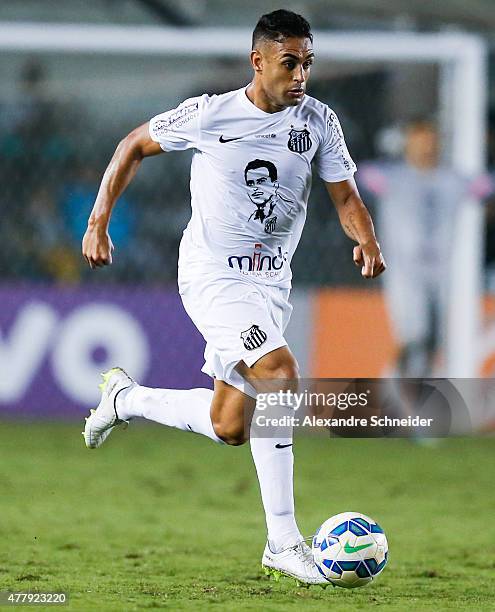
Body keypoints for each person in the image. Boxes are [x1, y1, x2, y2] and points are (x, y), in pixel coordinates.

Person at [82, 9, 385, 585]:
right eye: (289, 62)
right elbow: (133, 145)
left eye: (308, 63)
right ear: (258, 61)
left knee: (230, 424)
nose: (300, 75)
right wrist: (99, 222)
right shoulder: (210, 113)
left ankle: (124, 400)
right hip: (214, 277)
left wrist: (367, 239)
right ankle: (283, 541)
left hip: (271, 285)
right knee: (279, 374)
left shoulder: (319, 122)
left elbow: (345, 196)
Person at [360, 119, 467, 377]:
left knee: (435, 341)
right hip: (404, 272)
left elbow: (484, 187)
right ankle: (395, 389)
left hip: (443, 272)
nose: (426, 148)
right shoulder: (391, 177)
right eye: (418, 141)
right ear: (407, 144)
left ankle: (418, 398)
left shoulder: (452, 179)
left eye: (430, 141)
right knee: (414, 334)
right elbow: (359, 175)